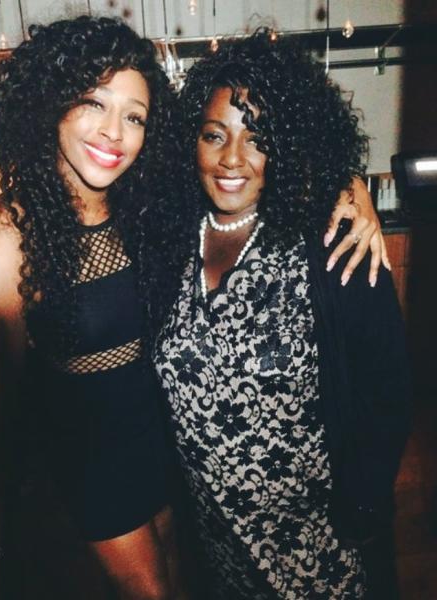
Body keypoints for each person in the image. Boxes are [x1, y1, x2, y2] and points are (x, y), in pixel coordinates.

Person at [0, 16, 385, 600]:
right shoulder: (4, 233)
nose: (114, 132)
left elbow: (255, 165)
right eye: (94, 103)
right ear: (52, 103)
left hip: (178, 465)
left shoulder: (153, 206)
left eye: (134, 116)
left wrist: (350, 185)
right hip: (97, 469)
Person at [148, 31, 412, 599]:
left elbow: (389, 388)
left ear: (286, 146)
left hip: (322, 551)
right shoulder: (168, 244)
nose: (231, 159)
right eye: (214, 135)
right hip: (216, 552)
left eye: (257, 140)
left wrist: (362, 507)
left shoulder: (331, 241)